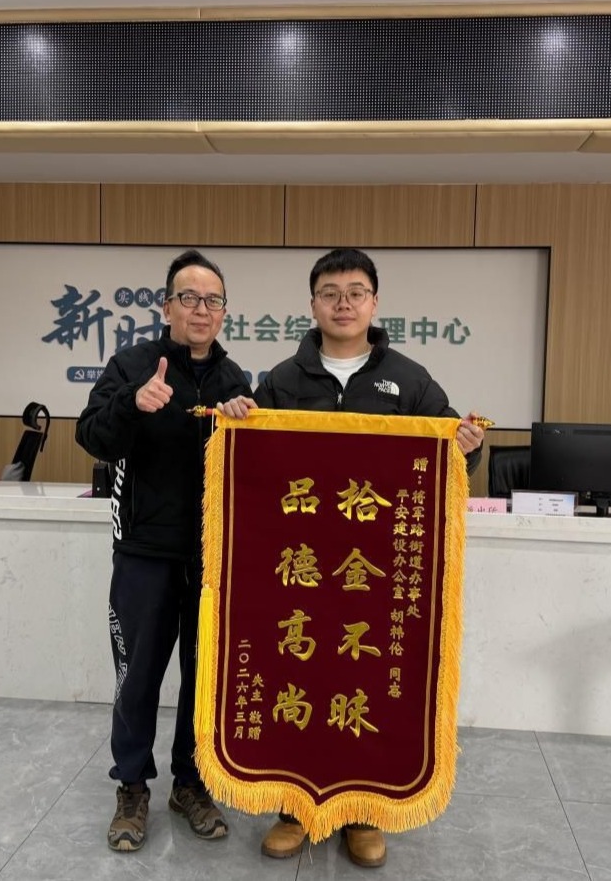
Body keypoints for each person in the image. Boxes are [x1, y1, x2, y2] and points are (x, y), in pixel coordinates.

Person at [217, 247, 485, 869]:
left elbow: (447, 457)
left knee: (365, 686)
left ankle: (363, 814)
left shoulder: (410, 381)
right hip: (301, 570)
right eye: (331, 293)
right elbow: (252, 462)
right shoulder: (282, 380)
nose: (343, 303)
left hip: (374, 572)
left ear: (374, 303)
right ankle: (294, 808)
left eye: (356, 292)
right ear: (312, 304)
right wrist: (236, 418)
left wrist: (467, 443)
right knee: (299, 678)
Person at [76, 249, 253, 853]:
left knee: (205, 679)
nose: (201, 309)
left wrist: (243, 424)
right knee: (138, 677)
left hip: (212, 558)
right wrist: (133, 403)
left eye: (213, 300)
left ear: (223, 312)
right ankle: (131, 786)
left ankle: (191, 783)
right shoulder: (132, 365)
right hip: (144, 552)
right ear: (167, 305)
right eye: (189, 298)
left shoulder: (235, 380)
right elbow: (91, 436)